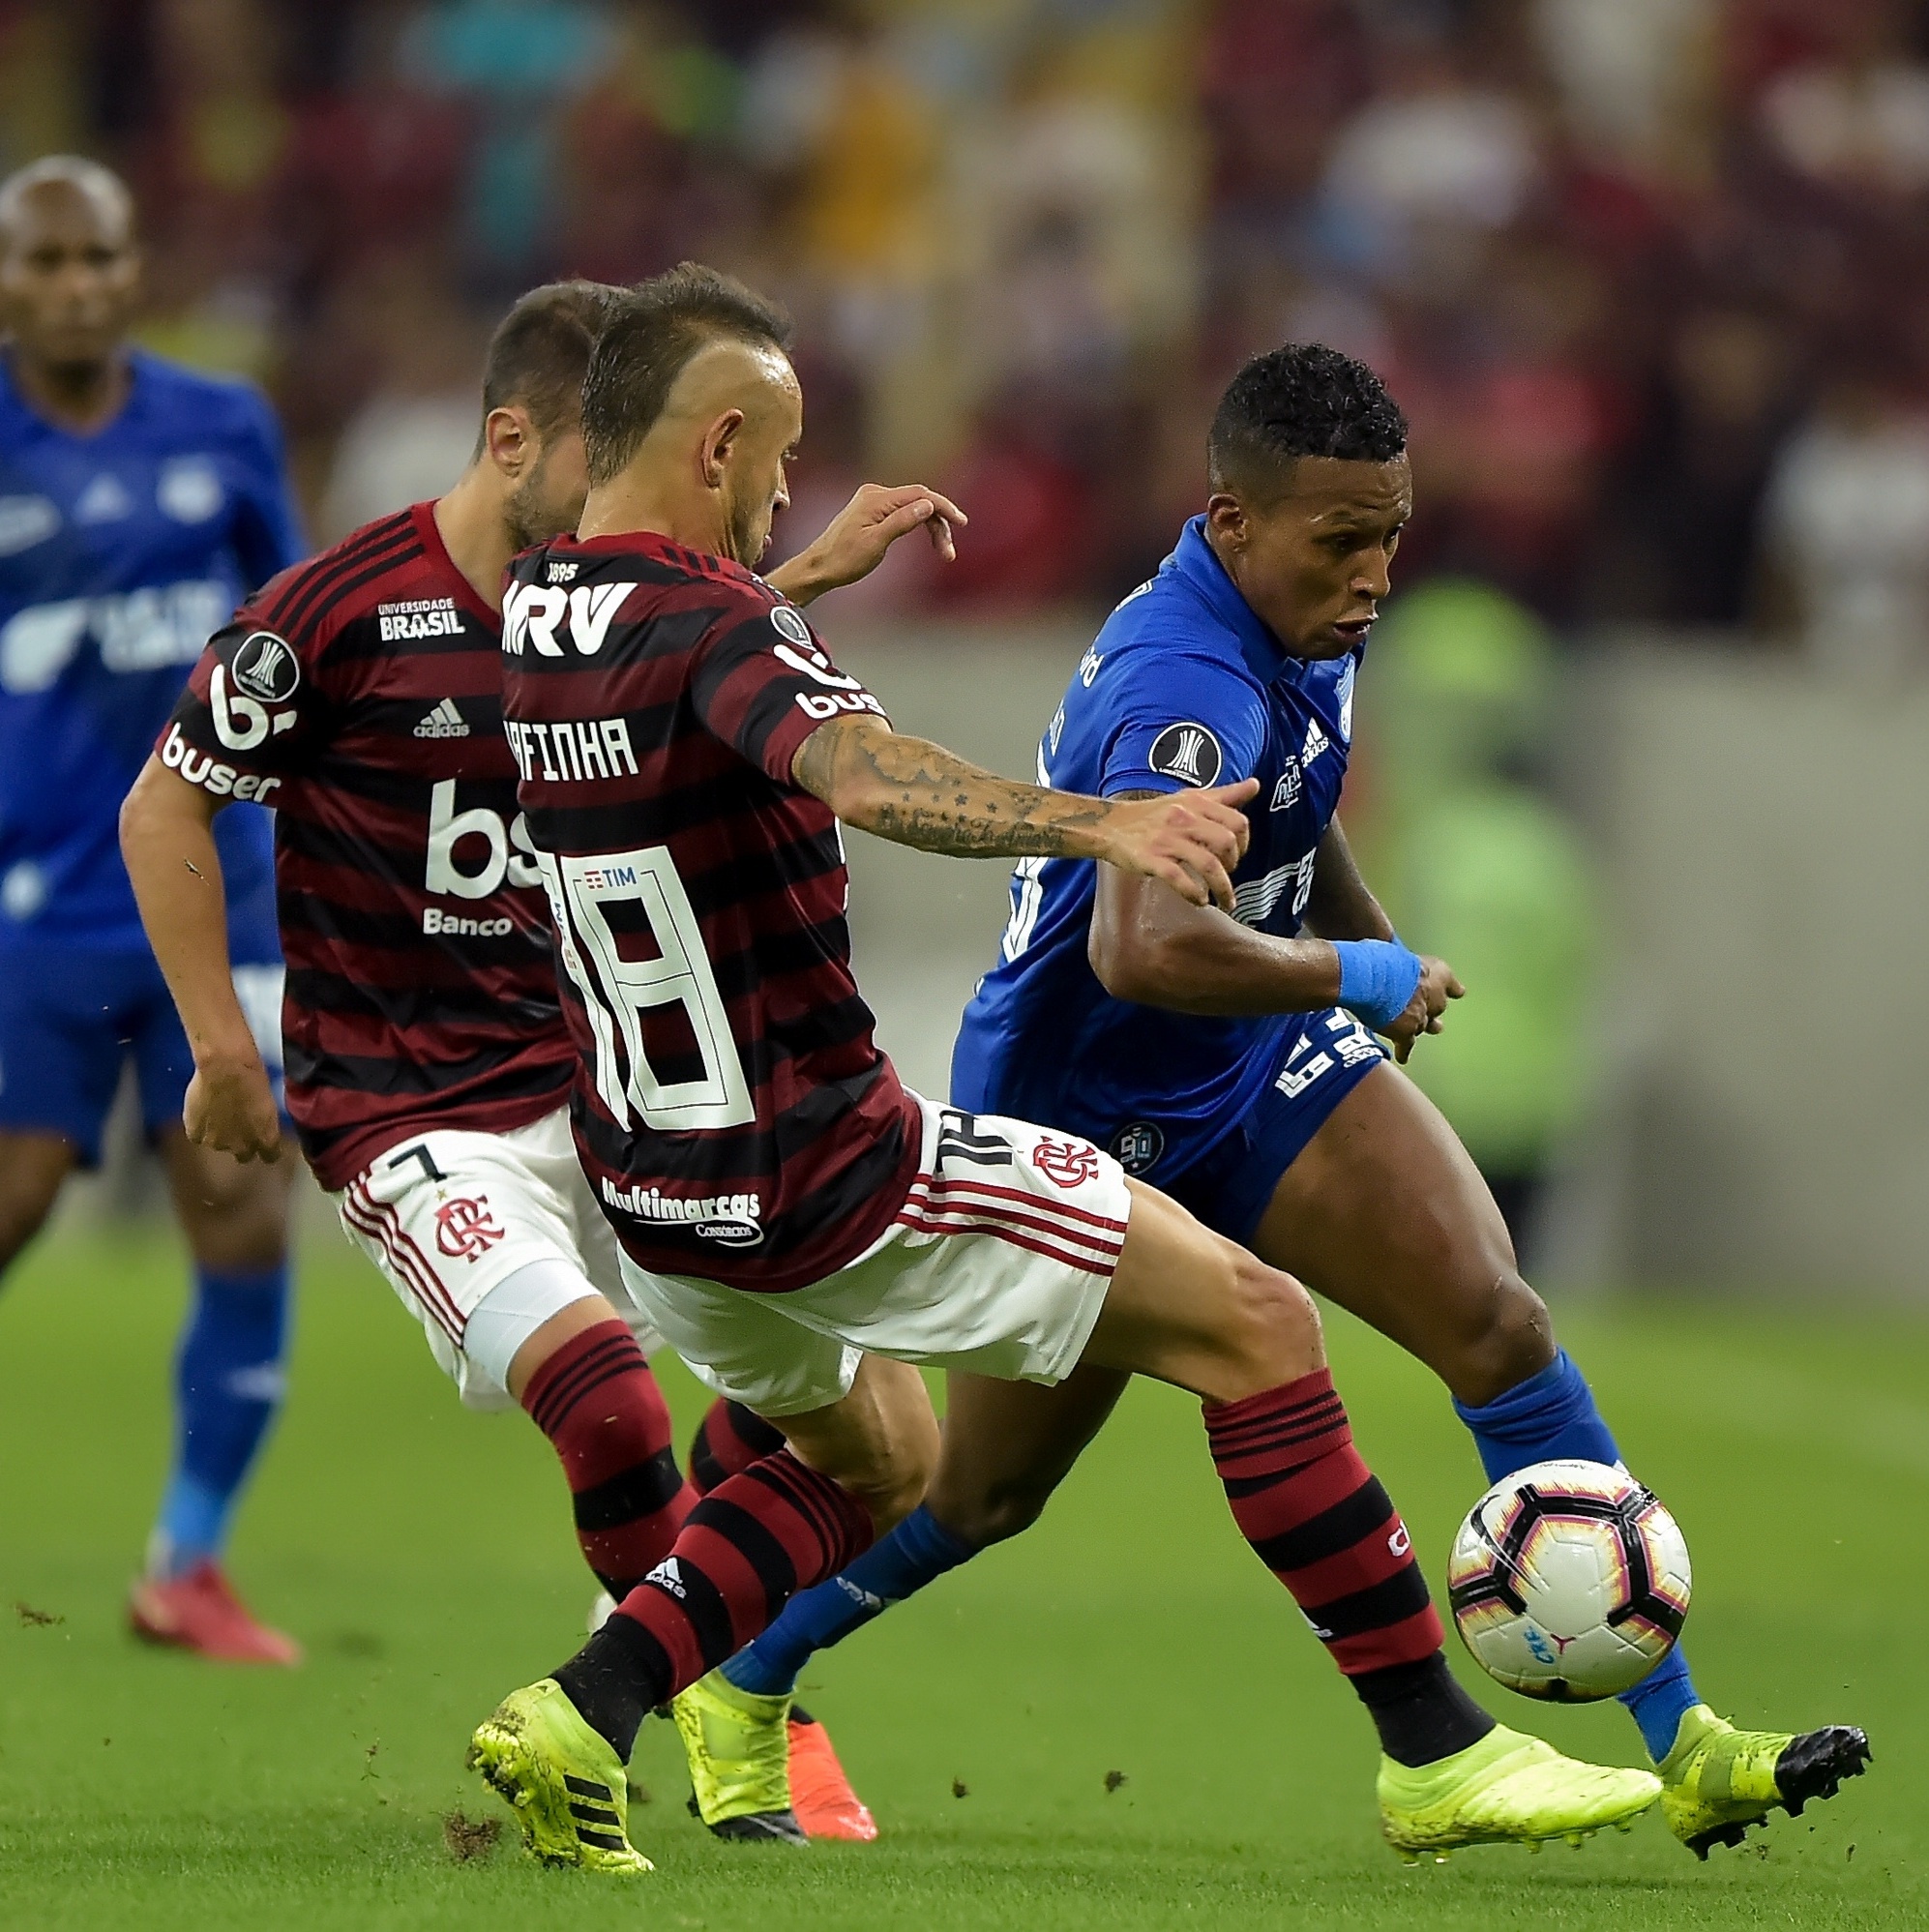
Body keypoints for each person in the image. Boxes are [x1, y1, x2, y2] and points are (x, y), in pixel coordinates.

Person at [465, 262, 1661, 1876]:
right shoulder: (731, 626)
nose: (780, 492)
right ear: (719, 437)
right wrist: (1096, 818)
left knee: (875, 1457)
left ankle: (585, 1708)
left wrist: (800, 576)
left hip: (650, 1185)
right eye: (778, 459)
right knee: (1256, 1326)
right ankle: (1436, 1753)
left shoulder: (545, 606)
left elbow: (676, 646)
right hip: (824, 1159)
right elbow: (866, 769)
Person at [704, 342, 1873, 1860]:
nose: (1376, 573)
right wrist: (1353, 974)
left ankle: (1686, 1738)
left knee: (1496, 1322)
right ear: (1233, 521)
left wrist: (1365, 951)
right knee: (983, 1494)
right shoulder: (1176, 679)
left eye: (1391, 534)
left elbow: (1295, 808)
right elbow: (1141, 945)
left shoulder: (1305, 603)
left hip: (1247, 1064)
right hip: (1083, 1103)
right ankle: (745, 1672)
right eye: (1344, 541)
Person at [120, 278, 965, 1842]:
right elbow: (168, 803)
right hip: (409, 1115)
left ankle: (695, 1679)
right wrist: (221, 1049)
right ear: (514, 441)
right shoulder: (337, 613)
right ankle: (649, 1728)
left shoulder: (609, 611)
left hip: (609, 1098)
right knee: (608, 1408)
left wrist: (792, 582)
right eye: (610, 458)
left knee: (869, 1426)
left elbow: (706, 678)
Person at [0, 155, 304, 1662]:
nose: (72, 285)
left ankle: (187, 1560)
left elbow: (296, 643)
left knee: (245, 1204)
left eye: (95, 257)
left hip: (217, 898)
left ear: (133, 268)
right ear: (6, 281)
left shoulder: (222, 424)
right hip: (35, 901)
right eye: (43, 261)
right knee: (19, 1196)